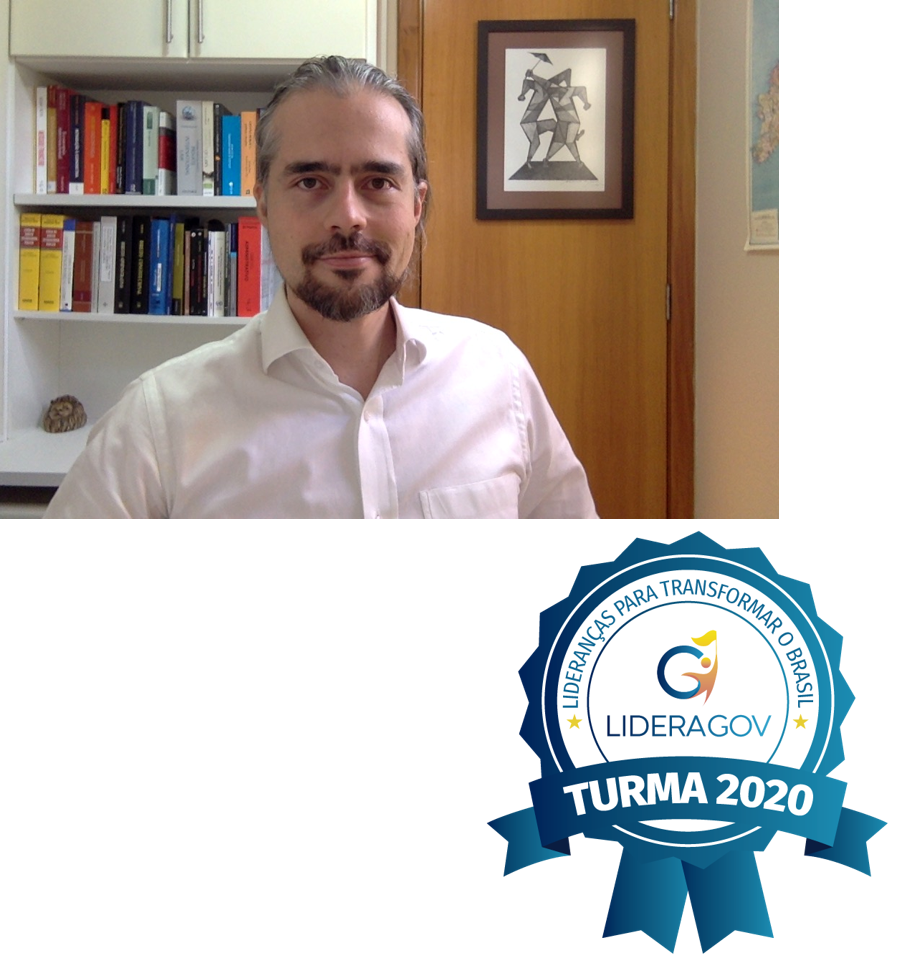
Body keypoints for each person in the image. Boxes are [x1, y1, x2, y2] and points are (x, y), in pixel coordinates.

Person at [44, 57, 598, 519]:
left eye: (378, 181)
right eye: (311, 181)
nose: (347, 216)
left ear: (416, 204)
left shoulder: (498, 376)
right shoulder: (159, 420)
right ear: (264, 204)